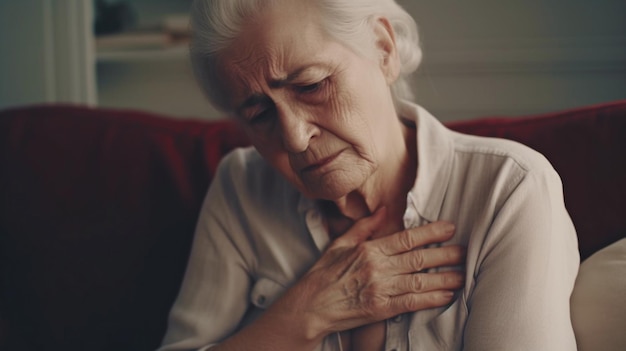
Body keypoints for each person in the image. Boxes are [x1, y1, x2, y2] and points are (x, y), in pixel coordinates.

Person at [159, 0, 580, 350]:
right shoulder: (240, 186)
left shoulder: (509, 190)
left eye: (311, 85)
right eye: (259, 114)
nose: (295, 138)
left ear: (383, 49)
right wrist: (302, 313)